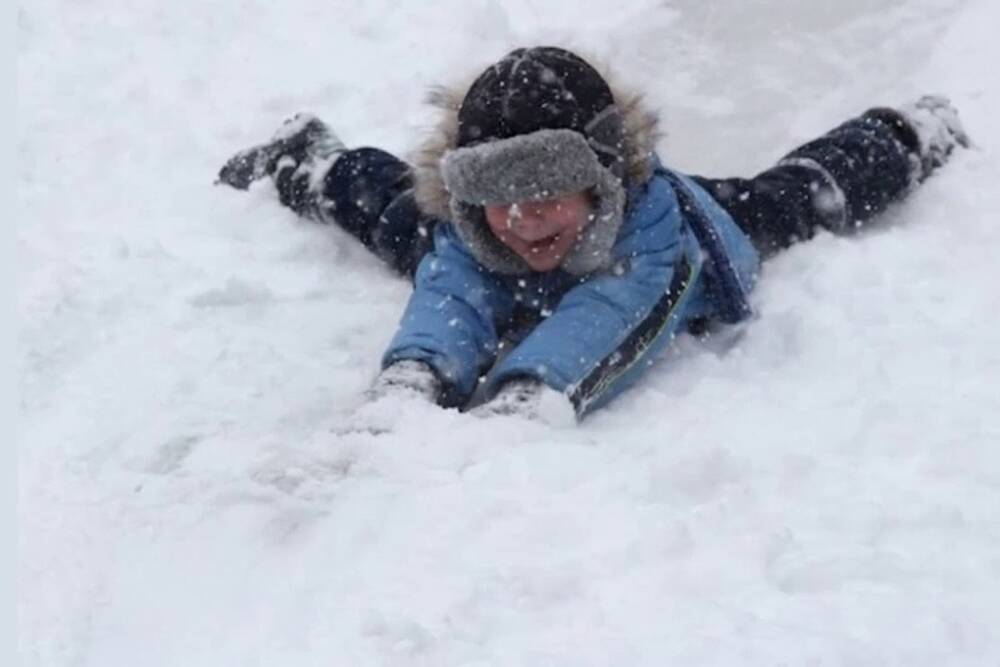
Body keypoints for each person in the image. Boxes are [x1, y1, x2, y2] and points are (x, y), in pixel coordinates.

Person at [217, 46, 968, 421]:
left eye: (545, 193)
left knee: (797, 200)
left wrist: (526, 394)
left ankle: (904, 133)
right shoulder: (484, 224)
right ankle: (307, 158)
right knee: (393, 216)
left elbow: (604, 319)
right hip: (483, 236)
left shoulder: (654, 242)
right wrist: (416, 375)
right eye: (496, 199)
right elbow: (451, 291)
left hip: (688, 231)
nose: (522, 218)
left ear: (602, 178)